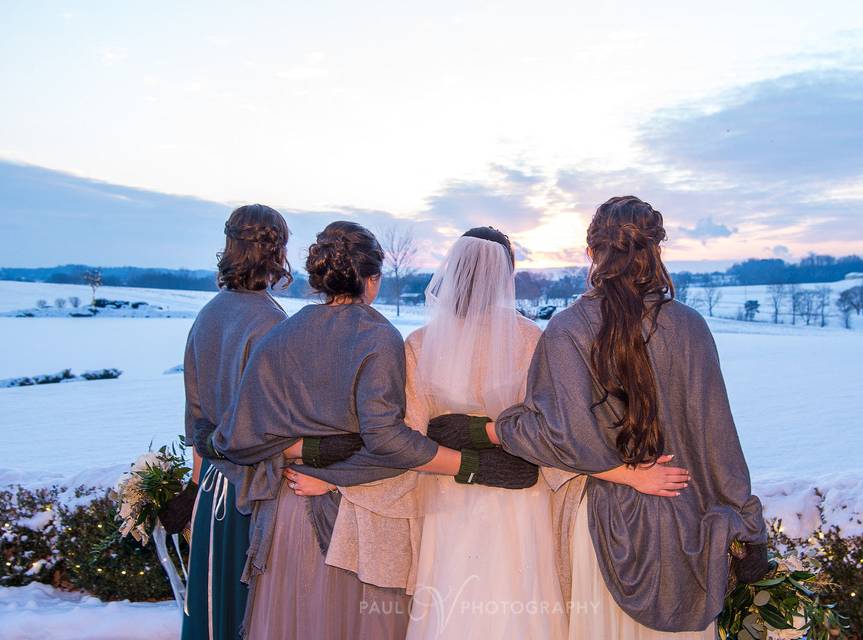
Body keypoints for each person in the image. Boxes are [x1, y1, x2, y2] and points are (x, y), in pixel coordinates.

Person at [292, 226, 693, 639]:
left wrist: (335, 481)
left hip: (447, 500)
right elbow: (558, 431)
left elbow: (401, 443)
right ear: (506, 275)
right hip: (522, 503)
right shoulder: (532, 339)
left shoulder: (418, 344)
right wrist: (628, 472)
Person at [433, 197, 770, 638]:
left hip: (601, 527)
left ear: (591, 252)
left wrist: (487, 429)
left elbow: (557, 434)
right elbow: (718, 438)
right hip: (686, 521)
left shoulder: (569, 327)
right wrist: (749, 524)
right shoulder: (689, 327)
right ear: (655, 251)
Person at [207, 221, 538, 640]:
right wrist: (474, 463)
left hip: (287, 512)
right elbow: (389, 441)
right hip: (349, 520)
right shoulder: (381, 337)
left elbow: (235, 440)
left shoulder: (280, 335)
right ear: (373, 279)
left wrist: (301, 452)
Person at [179, 204, 291, 640]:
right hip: (253, 492)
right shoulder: (273, 323)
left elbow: (196, 419)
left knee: (210, 606)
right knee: (247, 613)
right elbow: (273, 426)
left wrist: (194, 487)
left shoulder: (206, 314)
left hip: (211, 491)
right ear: (277, 253)